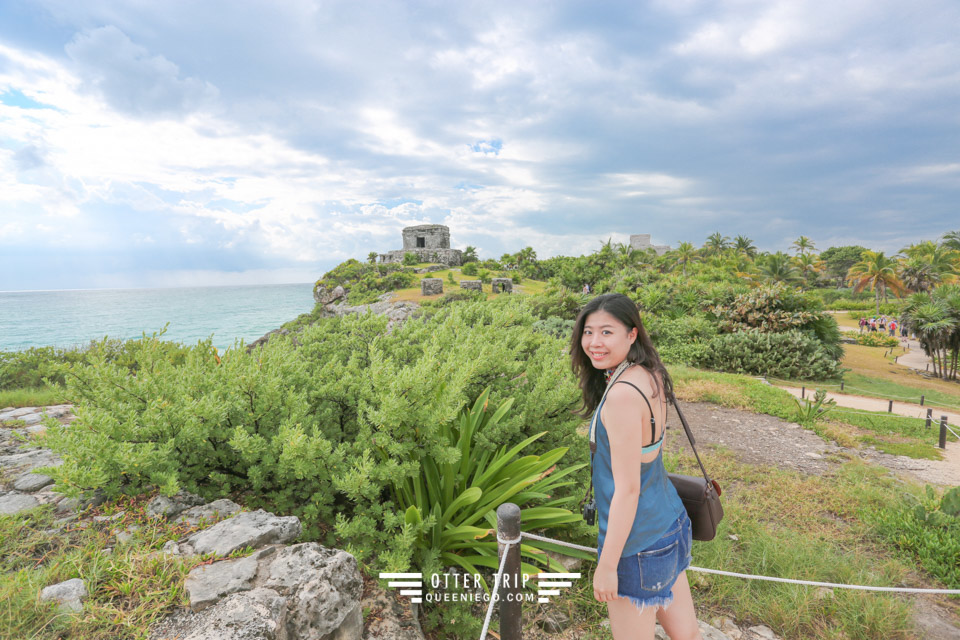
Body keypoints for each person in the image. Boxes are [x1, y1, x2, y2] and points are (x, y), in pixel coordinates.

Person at [570, 293, 701, 640]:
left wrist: (608, 566)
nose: (594, 343)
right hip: (670, 522)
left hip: (637, 541)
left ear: (632, 334)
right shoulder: (649, 372)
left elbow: (627, 490)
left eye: (607, 332)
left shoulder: (622, 396)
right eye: (588, 331)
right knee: (687, 635)